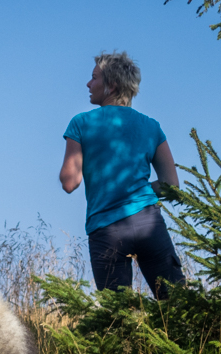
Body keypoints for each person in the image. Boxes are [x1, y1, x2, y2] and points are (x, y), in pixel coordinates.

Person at [60, 51, 185, 298]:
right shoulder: (151, 126)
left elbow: (69, 182)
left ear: (112, 85)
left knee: (118, 320)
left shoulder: (81, 123)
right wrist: (139, 191)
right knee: (177, 305)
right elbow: (172, 185)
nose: (88, 83)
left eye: (94, 77)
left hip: (106, 230)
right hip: (149, 223)